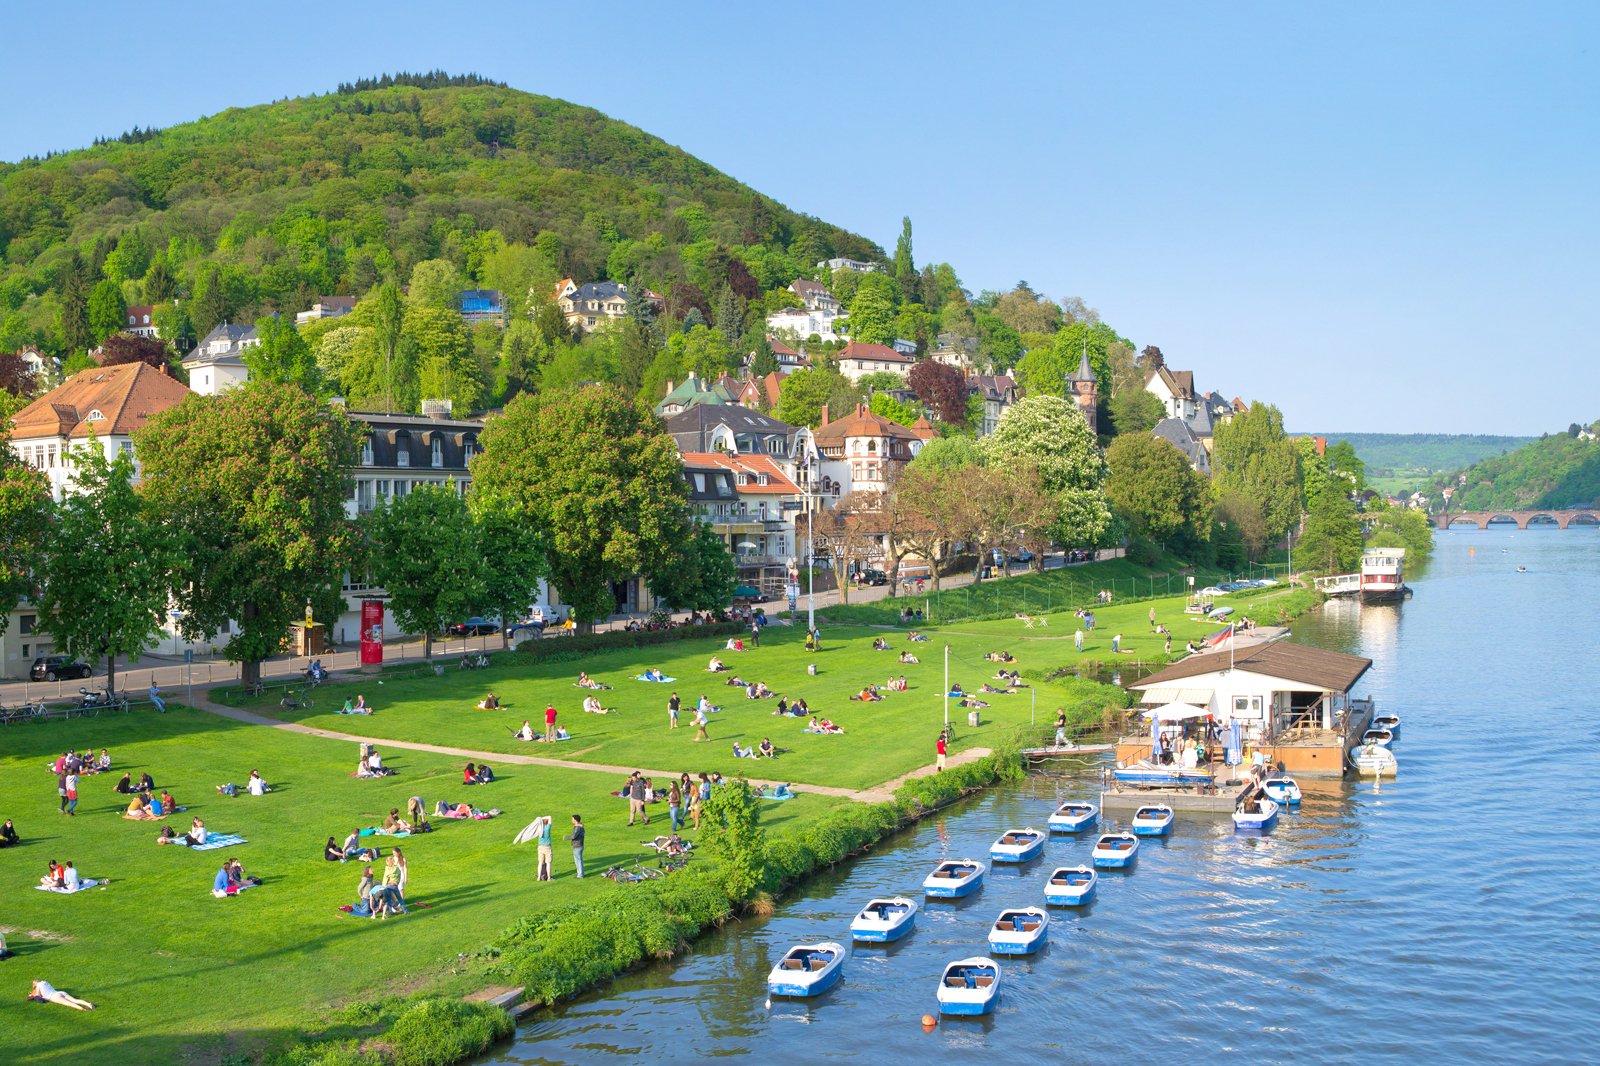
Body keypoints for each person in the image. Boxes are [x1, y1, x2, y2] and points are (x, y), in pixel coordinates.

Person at [28, 979, 95, 1011]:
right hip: (60, 992)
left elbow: (38, 996)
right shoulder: (45, 982)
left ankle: (82, 1009)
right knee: (75, 1000)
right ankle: (88, 1004)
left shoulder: (38, 986)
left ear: (35, 984)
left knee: (68, 1003)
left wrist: (32, 994)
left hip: (54, 997)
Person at [566, 814, 585, 879]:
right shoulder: (579, 826)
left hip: (577, 846)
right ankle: (580, 874)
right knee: (579, 860)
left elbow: (574, 836)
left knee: (578, 861)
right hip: (579, 845)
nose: (571, 820)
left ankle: (580, 875)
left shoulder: (578, 827)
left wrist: (566, 837)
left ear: (575, 820)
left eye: (572, 819)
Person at [535, 817, 553, 881]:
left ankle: (538, 877)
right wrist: (542, 818)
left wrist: (540, 819)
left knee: (540, 862)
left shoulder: (539, 829)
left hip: (540, 847)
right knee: (548, 862)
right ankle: (549, 878)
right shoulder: (547, 828)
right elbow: (550, 817)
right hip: (547, 847)